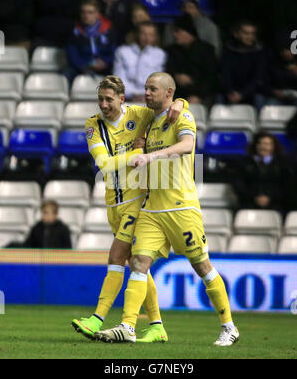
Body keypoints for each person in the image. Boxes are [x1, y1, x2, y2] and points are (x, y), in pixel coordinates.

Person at [95, 72, 239, 347]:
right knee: (138, 264)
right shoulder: (149, 123)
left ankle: (229, 326)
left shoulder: (181, 117)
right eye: (146, 88)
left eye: (152, 89)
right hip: (152, 209)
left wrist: (150, 154)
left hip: (181, 206)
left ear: (168, 92)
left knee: (202, 266)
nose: (146, 93)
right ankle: (128, 325)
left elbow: (187, 145)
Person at [71, 75, 189, 342]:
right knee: (134, 264)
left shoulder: (139, 114)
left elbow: (168, 104)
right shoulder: (93, 125)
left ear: (121, 99)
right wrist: (135, 155)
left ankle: (98, 318)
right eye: (100, 99)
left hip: (137, 202)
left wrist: (182, 103)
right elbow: (104, 164)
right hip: (113, 202)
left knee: (116, 258)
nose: (103, 104)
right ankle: (157, 325)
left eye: (109, 99)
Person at [166, 13, 217, 106]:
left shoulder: (207, 50)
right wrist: (176, 77)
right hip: (176, 94)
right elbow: (167, 72)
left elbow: (211, 78)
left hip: (202, 95)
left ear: (188, 32)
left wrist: (198, 95)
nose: (174, 34)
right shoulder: (171, 51)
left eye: (178, 31)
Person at [232, 132, 289, 213]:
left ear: (273, 146)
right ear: (255, 145)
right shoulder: (243, 163)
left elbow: (286, 186)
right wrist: (255, 198)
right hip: (248, 204)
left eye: (267, 144)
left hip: (275, 205)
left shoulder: (282, 164)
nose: (263, 147)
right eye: (260, 143)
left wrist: (270, 198)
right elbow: (238, 184)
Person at [217, 20, 266, 112]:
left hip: (251, 93)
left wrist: (242, 94)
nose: (250, 37)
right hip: (229, 93)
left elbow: (258, 77)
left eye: (252, 34)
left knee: (259, 99)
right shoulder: (228, 50)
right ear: (236, 34)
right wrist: (230, 91)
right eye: (246, 34)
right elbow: (225, 73)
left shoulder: (259, 52)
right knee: (218, 100)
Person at [64, 0, 115, 85]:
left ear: (98, 14)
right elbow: (72, 55)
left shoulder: (109, 30)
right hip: (82, 67)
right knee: (66, 73)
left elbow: (115, 52)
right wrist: (88, 65)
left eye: (90, 12)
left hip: (105, 67)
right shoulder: (74, 32)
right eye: (83, 12)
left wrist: (105, 63)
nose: (86, 15)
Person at [113, 22, 166, 102]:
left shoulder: (160, 54)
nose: (147, 38)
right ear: (136, 34)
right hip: (126, 99)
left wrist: (148, 95)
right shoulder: (122, 52)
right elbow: (119, 79)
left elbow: (159, 82)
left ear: (155, 37)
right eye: (143, 34)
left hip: (151, 99)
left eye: (151, 35)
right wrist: (131, 95)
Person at [6, 200, 72, 249]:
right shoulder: (37, 227)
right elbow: (28, 245)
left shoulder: (63, 229)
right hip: (37, 262)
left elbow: (67, 250)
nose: (43, 216)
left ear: (55, 214)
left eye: (46, 213)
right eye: (43, 213)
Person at [265, 30, 297, 106]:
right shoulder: (272, 64)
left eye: (288, 49)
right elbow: (264, 84)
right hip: (278, 98)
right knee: (269, 106)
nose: (285, 52)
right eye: (282, 50)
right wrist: (274, 92)